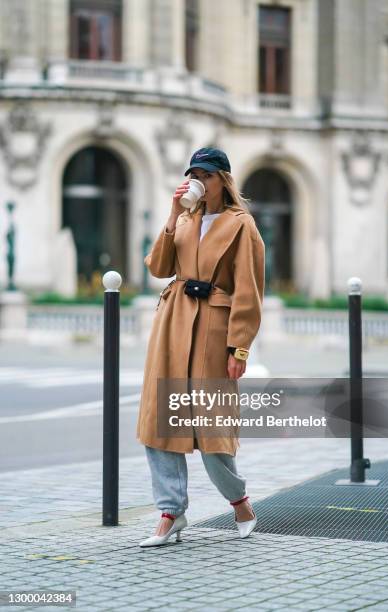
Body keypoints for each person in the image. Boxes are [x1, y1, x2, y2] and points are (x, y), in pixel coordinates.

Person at [136, 147, 265, 547]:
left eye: (206, 175)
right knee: (161, 421)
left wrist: (238, 349)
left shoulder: (242, 225)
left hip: (214, 328)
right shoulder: (186, 220)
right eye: (193, 173)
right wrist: (173, 215)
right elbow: (158, 268)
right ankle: (171, 513)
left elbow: (249, 291)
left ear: (222, 180)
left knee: (213, 427)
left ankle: (239, 502)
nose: (198, 181)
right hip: (173, 324)